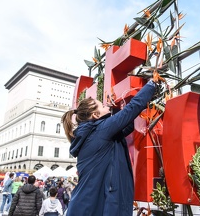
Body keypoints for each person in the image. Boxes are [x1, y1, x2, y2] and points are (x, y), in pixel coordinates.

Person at [61, 79, 158, 216]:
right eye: (103, 106)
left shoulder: (94, 134)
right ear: (95, 115)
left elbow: (127, 125)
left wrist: (117, 108)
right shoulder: (101, 131)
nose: (107, 105)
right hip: (92, 207)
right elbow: (131, 110)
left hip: (86, 205)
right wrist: (152, 84)